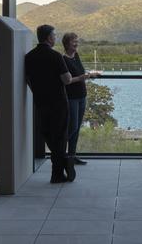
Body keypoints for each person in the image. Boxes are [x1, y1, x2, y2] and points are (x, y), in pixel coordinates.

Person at [25, 25, 76, 183]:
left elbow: (28, 79)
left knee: (47, 134)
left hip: (41, 102)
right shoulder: (55, 56)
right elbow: (67, 79)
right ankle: (58, 172)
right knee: (60, 137)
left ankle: (60, 167)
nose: (55, 38)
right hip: (58, 102)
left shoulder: (29, 57)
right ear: (48, 37)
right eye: (54, 35)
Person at [62, 32, 94, 166]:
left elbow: (80, 72)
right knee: (72, 127)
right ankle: (61, 155)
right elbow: (66, 81)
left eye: (77, 41)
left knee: (77, 128)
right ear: (67, 44)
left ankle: (72, 156)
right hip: (72, 98)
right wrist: (81, 78)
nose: (76, 44)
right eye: (73, 41)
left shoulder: (76, 56)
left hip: (82, 96)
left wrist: (88, 75)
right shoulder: (63, 59)